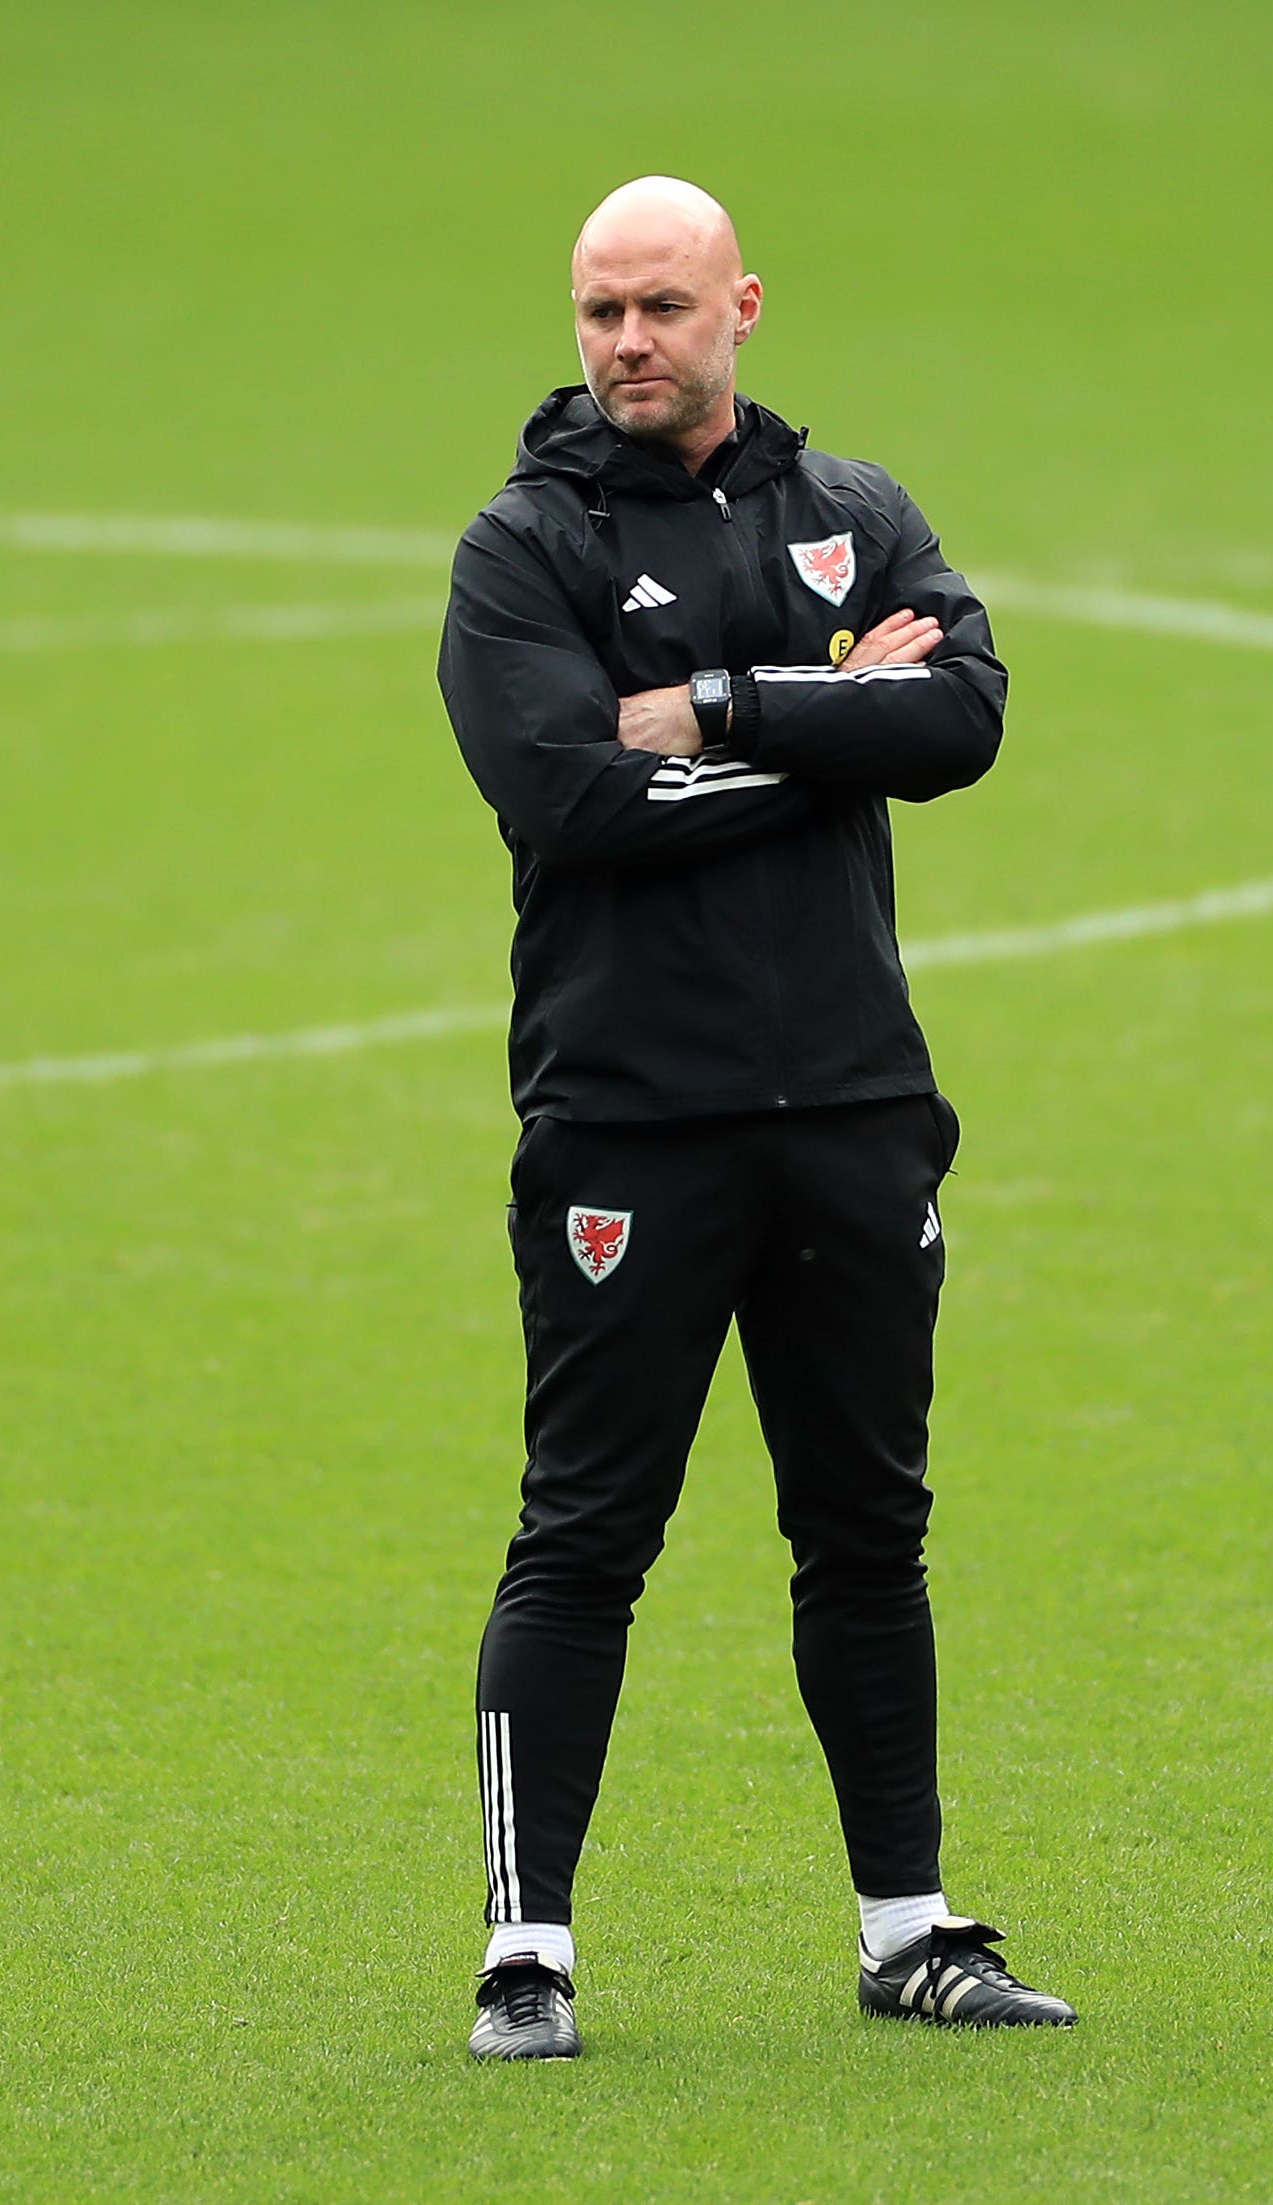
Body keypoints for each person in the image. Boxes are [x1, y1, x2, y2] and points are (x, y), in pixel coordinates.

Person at [437, 175, 1072, 2059]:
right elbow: (572, 804)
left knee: (870, 1527)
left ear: (743, 308)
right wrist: (823, 722)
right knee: (585, 1534)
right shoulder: (521, 550)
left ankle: (909, 1929)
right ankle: (525, 1945)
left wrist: (705, 702)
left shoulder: (846, 512)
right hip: (633, 1123)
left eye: (661, 308)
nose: (627, 343)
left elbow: (963, 722)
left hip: (858, 1110)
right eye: (597, 311)